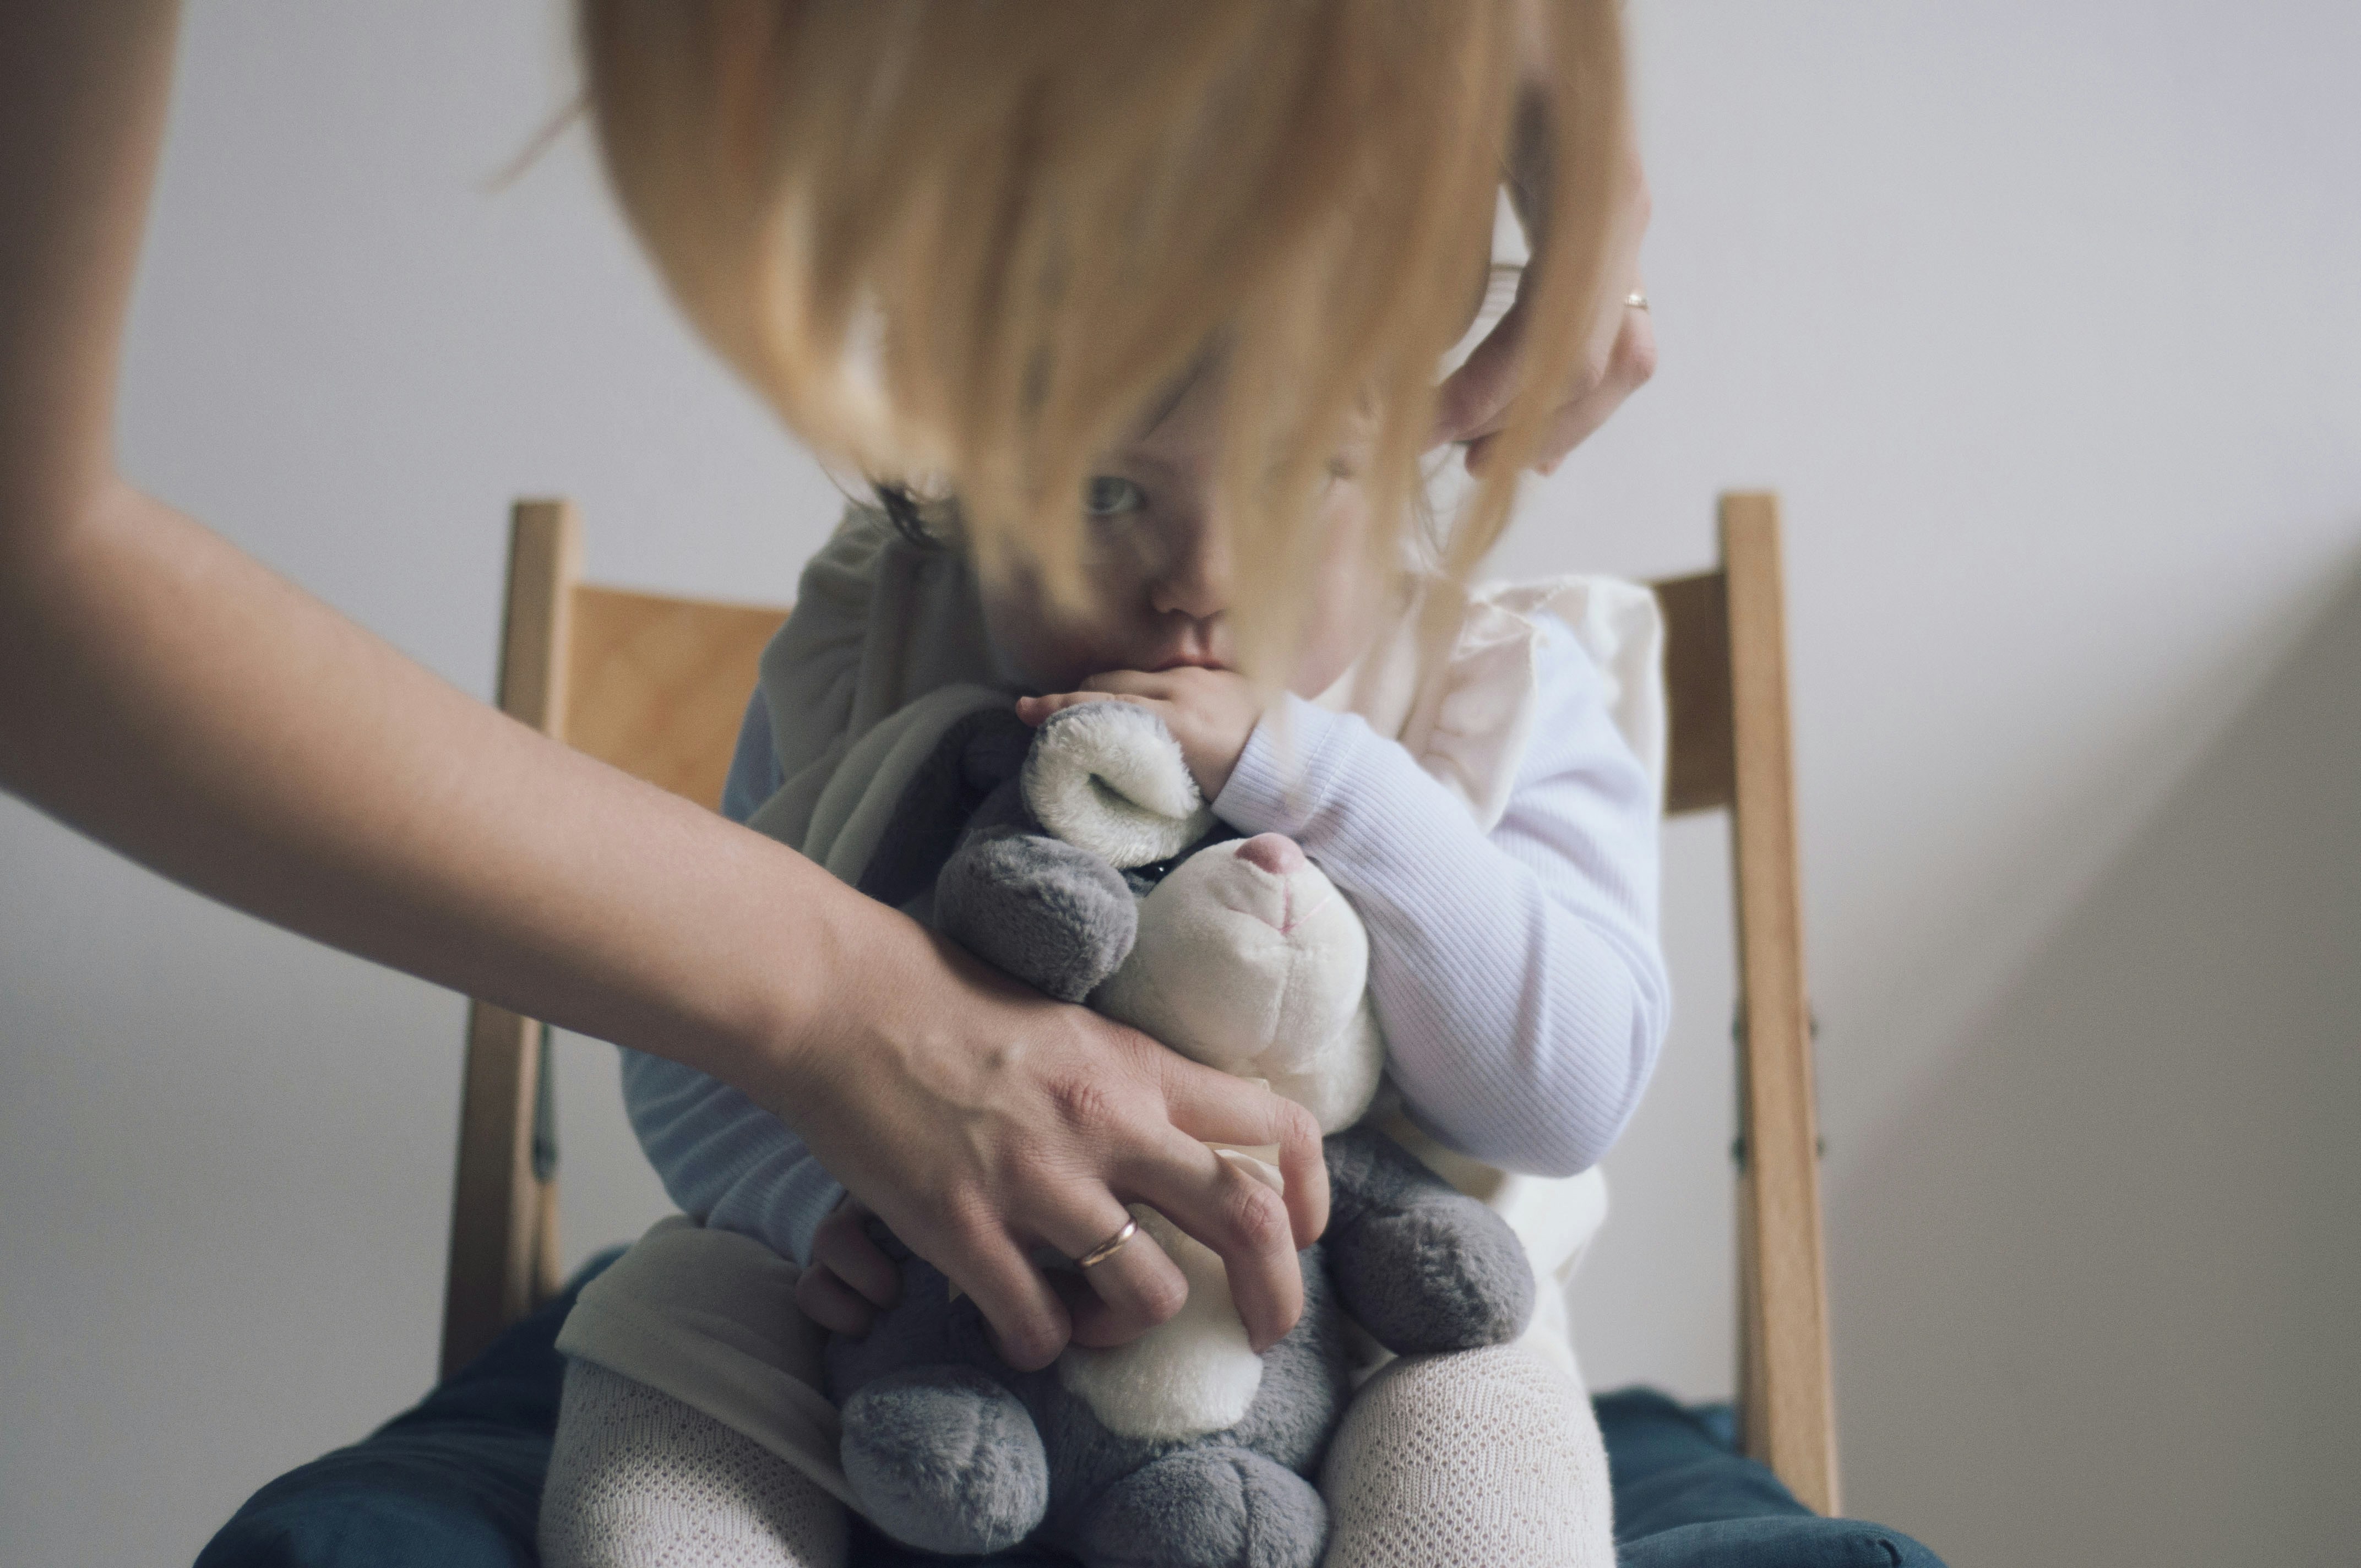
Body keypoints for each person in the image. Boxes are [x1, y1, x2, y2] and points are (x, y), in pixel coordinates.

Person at [2, 0, 1649, 1462]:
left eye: (1303, 479)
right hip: (941, 1352)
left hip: (1354, 1347)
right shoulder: (874, 647)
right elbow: (687, 1043)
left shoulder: (1486, 689)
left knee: (1492, 1433)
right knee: (655, 1339)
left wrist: (1317, 770)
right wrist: (809, 1202)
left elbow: (1566, 1088)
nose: (1200, 585)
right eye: (1100, 495)